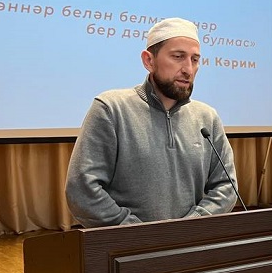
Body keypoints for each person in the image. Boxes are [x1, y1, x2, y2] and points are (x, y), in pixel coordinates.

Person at [65, 17, 238, 227]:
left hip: (192, 242)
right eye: (178, 57)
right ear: (149, 61)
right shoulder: (111, 108)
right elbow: (82, 190)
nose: (188, 69)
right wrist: (140, 234)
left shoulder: (207, 117)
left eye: (194, 59)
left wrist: (190, 227)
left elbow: (226, 187)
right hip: (128, 245)